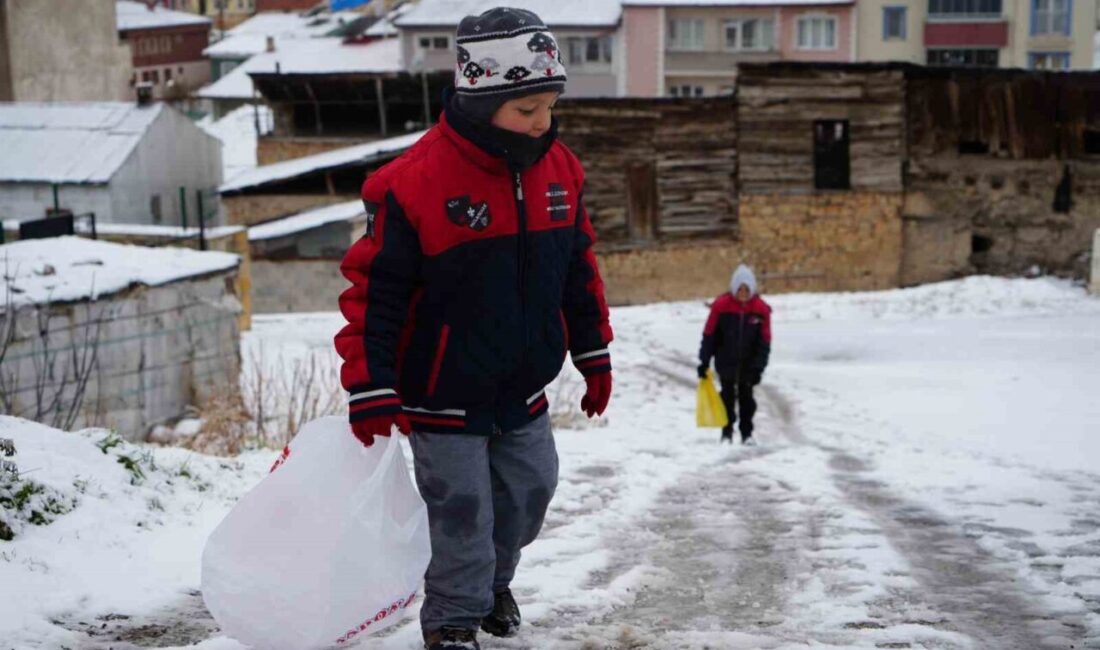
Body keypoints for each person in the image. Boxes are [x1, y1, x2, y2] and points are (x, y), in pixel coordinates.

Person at [334, 8, 613, 650]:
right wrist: (371, 384)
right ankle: (453, 620)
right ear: (480, 97)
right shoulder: (413, 184)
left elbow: (578, 268)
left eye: (549, 105)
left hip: (523, 385)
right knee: (461, 511)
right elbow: (374, 295)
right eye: (527, 110)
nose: (543, 122)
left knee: (528, 493)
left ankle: (494, 584)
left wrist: (593, 352)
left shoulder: (561, 171)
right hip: (440, 389)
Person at [697, 264, 771, 445]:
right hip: (726, 361)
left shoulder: (760, 310)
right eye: (740, 289)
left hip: (749, 363)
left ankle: (747, 433)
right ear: (734, 288)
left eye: (747, 289)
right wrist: (704, 360)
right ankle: (727, 432)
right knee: (727, 397)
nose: (743, 293)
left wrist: (759, 367)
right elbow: (709, 335)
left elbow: (765, 341)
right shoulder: (721, 306)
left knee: (747, 398)